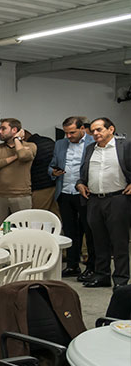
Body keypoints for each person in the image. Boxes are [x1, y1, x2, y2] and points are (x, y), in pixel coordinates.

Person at [76, 117, 131, 288]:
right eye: (93, 131)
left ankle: (121, 280)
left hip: (117, 199)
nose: (95, 133)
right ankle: (102, 276)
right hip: (94, 200)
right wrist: (80, 184)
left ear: (111, 129)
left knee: (119, 241)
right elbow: (84, 172)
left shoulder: (125, 146)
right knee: (98, 241)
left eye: (99, 129)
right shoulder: (90, 148)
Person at [49, 116, 96, 278]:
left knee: (89, 231)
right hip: (65, 192)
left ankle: (91, 267)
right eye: (66, 133)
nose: (68, 136)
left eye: (72, 132)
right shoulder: (60, 144)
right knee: (70, 231)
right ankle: (72, 265)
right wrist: (53, 172)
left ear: (82, 129)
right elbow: (51, 165)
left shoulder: (93, 142)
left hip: (85, 193)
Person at [0, 118, 37, 223]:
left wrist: (17, 139)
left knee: (24, 228)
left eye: (3, 128)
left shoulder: (30, 146)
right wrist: (14, 157)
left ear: (14, 130)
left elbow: (22, 156)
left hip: (21, 195)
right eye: (0, 128)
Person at [27, 130, 59, 216]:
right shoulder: (48, 141)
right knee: (55, 213)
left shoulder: (29, 147)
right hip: (55, 183)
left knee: (37, 215)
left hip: (40, 186)